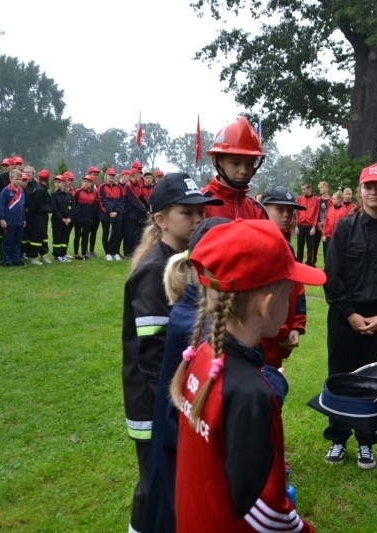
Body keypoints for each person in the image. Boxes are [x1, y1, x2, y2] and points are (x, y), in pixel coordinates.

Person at [168, 219, 322, 532]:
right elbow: (263, 508)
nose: (290, 302)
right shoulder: (250, 393)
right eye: (288, 293)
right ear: (266, 306)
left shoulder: (201, 356)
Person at [121, 172, 222, 533]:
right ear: (160, 219)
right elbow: (153, 356)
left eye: (201, 213)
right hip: (153, 402)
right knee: (154, 483)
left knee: (170, 479)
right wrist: (176, 403)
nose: (197, 220)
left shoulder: (179, 260)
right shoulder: (153, 270)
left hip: (171, 395)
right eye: (187, 213)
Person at [322, 163, 377, 469]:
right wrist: (350, 314)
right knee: (340, 377)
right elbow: (332, 276)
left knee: (375, 383)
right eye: (368, 187)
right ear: (360, 191)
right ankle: (337, 439)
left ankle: (365, 443)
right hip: (345, 320)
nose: (374, 193)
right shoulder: (345, 228)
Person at [259, 185, 309, 368]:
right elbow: (263, 300)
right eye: (279, 209)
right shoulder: (259, 247)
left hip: (282, 334)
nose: (287, 215)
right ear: (263, 209)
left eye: (290, 210)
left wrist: (297, 325)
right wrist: (281, 334)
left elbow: (298, 289)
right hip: (262, 336)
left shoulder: (287, 246)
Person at [202, 117, 268, 221]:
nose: (244, 171)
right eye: (235, 163)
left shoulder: (257, 210)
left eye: (250, 164)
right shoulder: (199, 203)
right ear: (216, 161)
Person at [24, 167, 53, 265]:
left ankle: (43, 254)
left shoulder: (41, 188)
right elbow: (34, 205)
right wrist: (30, 217)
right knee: (36, 236)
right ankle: (32, 256)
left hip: (42, 216)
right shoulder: (40, 190)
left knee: (44, 236)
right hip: (38, 217)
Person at [0, 169, 26, 267]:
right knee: (7, 241)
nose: (19, 181)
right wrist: (2, 218)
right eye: (17, 179)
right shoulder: (5, 191)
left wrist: (24, 219)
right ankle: (5, 260)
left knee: (17, 241)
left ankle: (16, 259)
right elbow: (1, 206)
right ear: (10, 179)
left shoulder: (22, 192)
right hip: (9, 221)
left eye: (20, 179)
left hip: (19, 221)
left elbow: (22, 206)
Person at [99, 168, 124, 260]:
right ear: (106, 175)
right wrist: (109, 211)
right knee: (105, 233)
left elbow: (121, 201)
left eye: (113, 175)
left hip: (117, 214)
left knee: (117, 234)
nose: (111, 177)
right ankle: (108, 253)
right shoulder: (101, 187)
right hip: (105, 214)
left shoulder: (119, 188)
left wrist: (116, 212)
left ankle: (116, 252)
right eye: (110, 175)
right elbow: (102, 201)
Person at [72, 174, 98, 260]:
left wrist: (90, 214)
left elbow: (94, 205)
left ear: (92, 183)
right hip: (78, 217)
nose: (86, 184)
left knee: (85, 236)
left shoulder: (94, 193)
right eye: (84, 182)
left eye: (88, 182)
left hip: (88, 218)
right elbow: (74, 203)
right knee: (77, 235)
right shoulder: (78, 192)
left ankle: (84, 253)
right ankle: (76, 253)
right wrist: (77, 212)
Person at [123, 167, 148, 258]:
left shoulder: (137, 186)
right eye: (139, 175)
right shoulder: (128, 185)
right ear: (134, 175)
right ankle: (127, 252)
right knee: (129, 233)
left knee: (135, 234)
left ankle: (133, 252)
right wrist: (145, 210)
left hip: (136, 214)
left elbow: (142, 198)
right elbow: (134, 200)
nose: (140, 177)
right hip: (129, 213)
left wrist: (149, 207)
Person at [51, 174, 74, 262]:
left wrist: (69, 218)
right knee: (57, 237)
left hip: (67, 220)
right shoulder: (54, 195)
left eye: (59, 182)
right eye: (56, 182)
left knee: (64, 237)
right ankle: (57, 255)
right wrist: (62, 219)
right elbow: (54, 208)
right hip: (58, 220)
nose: (57, 184)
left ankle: (63, 254)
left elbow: (73, 207)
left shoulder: (69, 195)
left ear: (64, 183)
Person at [295, 182, 319, 266]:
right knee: (300, 246)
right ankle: (299, 263)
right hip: (300, 225)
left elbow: (316, 214)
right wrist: (296, 226)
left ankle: (310, 263)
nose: (303, 191)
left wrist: (313, 227)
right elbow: (297, 213)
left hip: (310, 226)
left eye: (304, 189)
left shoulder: (316, 200)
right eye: (302, 189)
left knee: (310, 247)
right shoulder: (299, 199)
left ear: (309, 189)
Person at [312, 180, 330, 262]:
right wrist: (317, 224)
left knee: (326, 246)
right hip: (317, 225)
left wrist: (322, 223)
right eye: (320, 188)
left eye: (322, 188)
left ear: (326, 188)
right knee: (314, 245)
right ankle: (313, 262)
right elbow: (315, 212)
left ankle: (326, 264)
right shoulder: (317, 200)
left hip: (326, 226)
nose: (320, 190)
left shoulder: (331, 200)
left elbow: (330, 213)